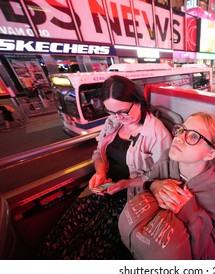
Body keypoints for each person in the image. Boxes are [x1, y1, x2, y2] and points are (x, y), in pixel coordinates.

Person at [37, 75, 172, 259]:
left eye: (123, 112)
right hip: (105, 188)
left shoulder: (157, 135)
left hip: (130, 199)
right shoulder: (112, 123)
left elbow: (160, 179)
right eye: (111, 112)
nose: (119, 118)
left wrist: (126, 183)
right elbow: (98, 153)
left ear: (138, 101)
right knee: (62, 233)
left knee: (85, 248)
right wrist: (100, 170)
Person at [118, 112, 215, 259]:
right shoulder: (167, 157)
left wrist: (190, 214)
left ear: (210, 154)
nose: (178, 138)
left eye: (193, 136)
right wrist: (153, 186)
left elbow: (210, 254)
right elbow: (148, 184)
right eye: (181, 130)